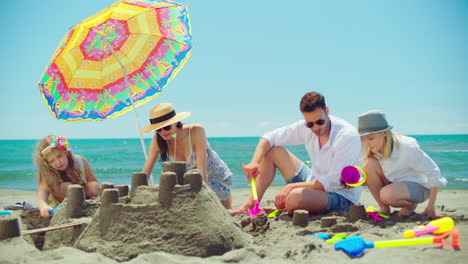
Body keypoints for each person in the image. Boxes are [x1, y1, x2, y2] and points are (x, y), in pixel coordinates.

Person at [229, 91, 362, 216]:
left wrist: (291, 187)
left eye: (320, 122)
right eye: (310, 124)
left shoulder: (346, 135)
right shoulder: (306, 127)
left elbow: (332, 181)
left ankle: (292, 203)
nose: (315, 127)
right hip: (313, 183)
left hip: (340, 195)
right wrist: (255, 162)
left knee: (294, 198)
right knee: (272, 151)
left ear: (327, 111)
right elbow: (270, 137)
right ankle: (249, 206)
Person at [141, 103, 233, 208]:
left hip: (216, 177)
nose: (162, 132)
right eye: (158, 129)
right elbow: (145, 172)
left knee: (223, 213)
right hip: (192, 181)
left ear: (175, 122)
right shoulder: (158, 141)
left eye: (166, 127)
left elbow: (202, 173)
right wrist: (138, 191)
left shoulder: (195, 131)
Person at [357, 110, 447, 217]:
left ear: (385, 132)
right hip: (395, 183)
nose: (367, 144)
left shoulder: (407, 147)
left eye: (371, 138)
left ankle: (410, 204)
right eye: (363, 139)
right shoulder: (372, 147)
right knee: (369, 164)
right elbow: (371, 180)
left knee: (386, 195)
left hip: (418, 186)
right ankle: (384, 209)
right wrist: (351, 181)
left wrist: (430, 206)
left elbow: (433, 171)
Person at [34, 135, 100, 218]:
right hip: (62, 205)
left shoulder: (79, 161)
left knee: (94, 187)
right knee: (66, 187)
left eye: (59, 156)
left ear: (65, 151)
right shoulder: (49, 172)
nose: (58, 162)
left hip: (83, 197)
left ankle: (84, 205)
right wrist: (43, 206)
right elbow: (42, 191)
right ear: (47, 163)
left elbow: (94, 182)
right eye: (52, 160)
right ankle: (75, 208)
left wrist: (89, 190)